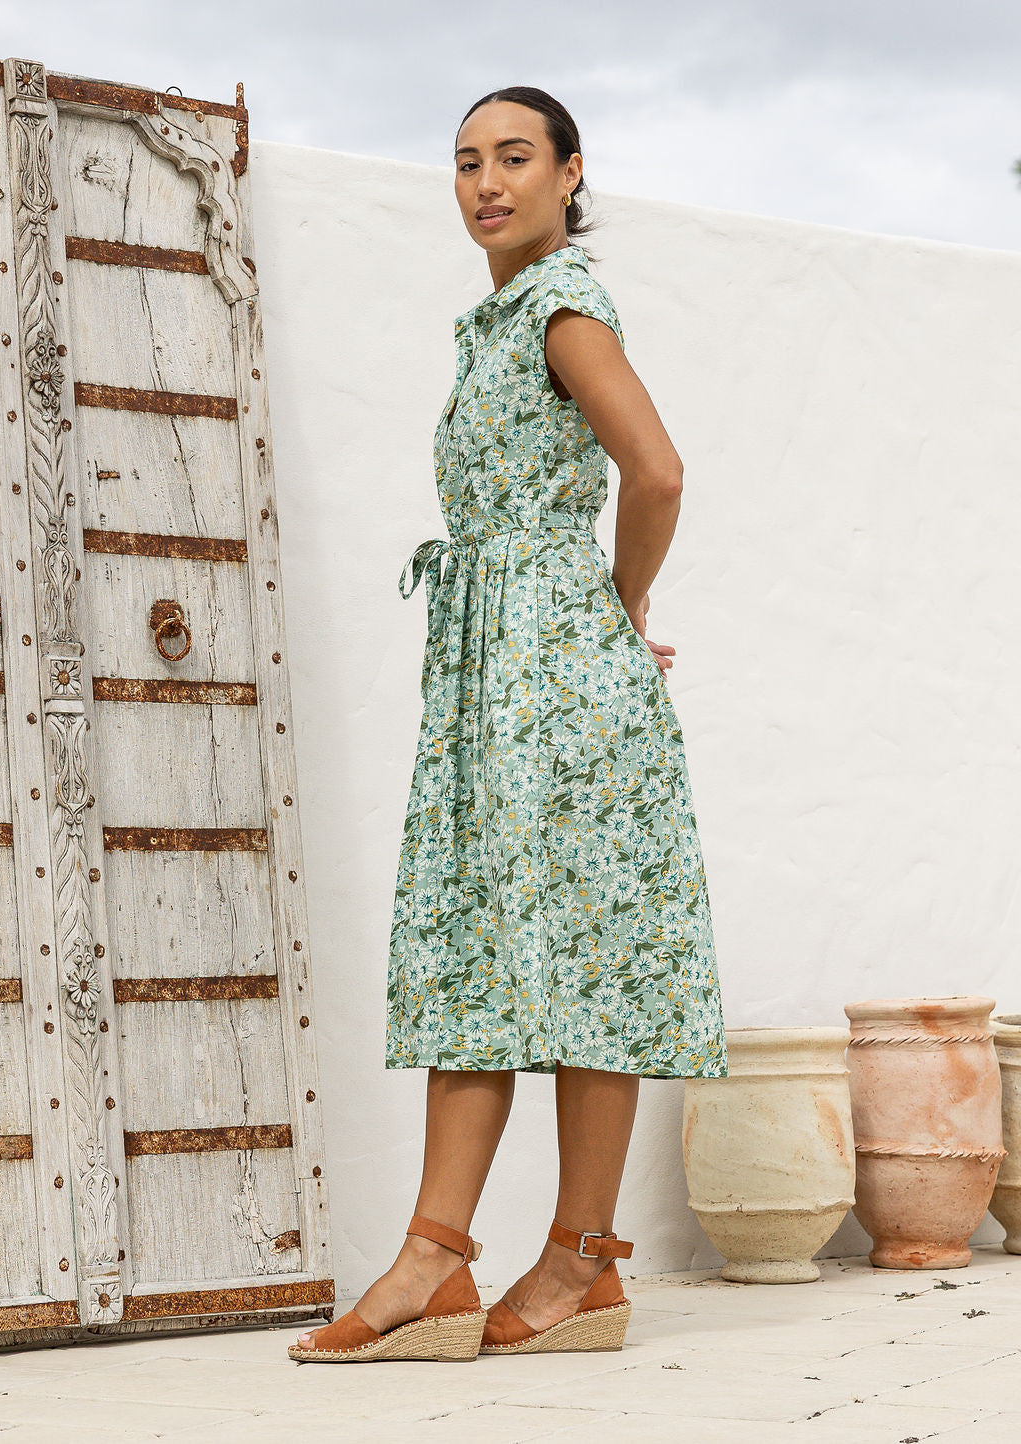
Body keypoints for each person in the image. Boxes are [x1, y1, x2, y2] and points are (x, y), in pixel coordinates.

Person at [289, 85, 727, 1365]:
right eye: (468, 162)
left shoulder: (557, 305)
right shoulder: (493, 319)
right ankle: (443, 1253)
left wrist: (622, 603)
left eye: (515, 159)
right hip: (496, 674)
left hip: (558, 674)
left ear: (567, 173)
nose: (486, 183)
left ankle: (576, 1264)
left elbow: (656, 470)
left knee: (583, 952)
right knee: (477, 946)